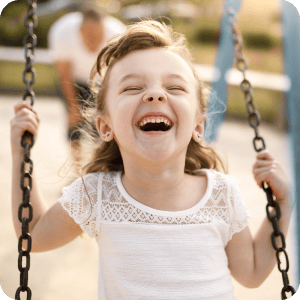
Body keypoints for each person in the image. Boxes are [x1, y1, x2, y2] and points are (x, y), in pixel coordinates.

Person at [11, 21, 293, 300]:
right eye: (132, 88)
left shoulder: (221, 194)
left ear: (198, 125)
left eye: (175, 88)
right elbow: (32, 234)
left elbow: (252, 272)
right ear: (105, 127)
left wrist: (283, 202)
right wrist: (20, 155)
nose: (155, 94)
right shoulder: (97, 194)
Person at [48, 6, 126, 159]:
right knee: (74, 121)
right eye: (88, 35)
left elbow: (119, 75)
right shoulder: (63, 32)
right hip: (74, 80)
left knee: (103, 122)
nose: (93, 41)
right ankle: (78, 168)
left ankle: (101, 162)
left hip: (104, 81)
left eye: (97, 35)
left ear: (104, 30)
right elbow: (64, 75)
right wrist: (73, 107)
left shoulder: (117, 35)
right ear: (80, 31)